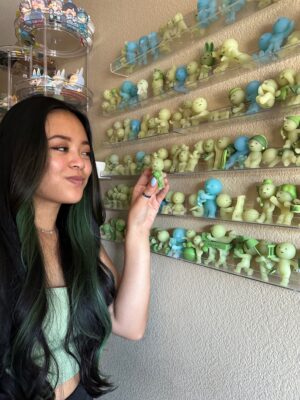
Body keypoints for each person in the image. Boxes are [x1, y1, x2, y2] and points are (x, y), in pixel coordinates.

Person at [0, 95, 169, 400]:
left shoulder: (82, 243)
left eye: (86, 152)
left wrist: (138, 229)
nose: (80, 162)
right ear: (21, 153)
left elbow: (128, 324)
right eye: (61, 148)